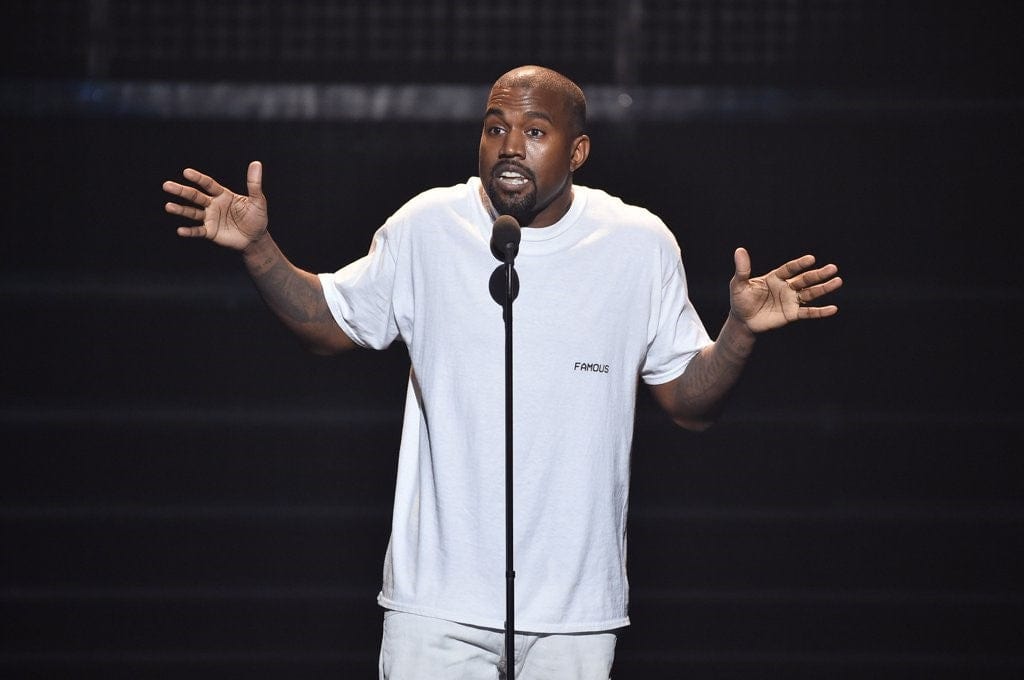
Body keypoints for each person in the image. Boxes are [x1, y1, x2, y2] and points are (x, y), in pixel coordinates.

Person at [163, 65, 842, 680]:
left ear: (577, 152)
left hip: (574, 611)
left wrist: (738, 334)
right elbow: (328, 323)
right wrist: (259, 250)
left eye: (535, 131)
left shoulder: (638, 244)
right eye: (495, 128)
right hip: (437, 604)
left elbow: (689, 404)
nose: (510, 146)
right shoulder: (428, 226)